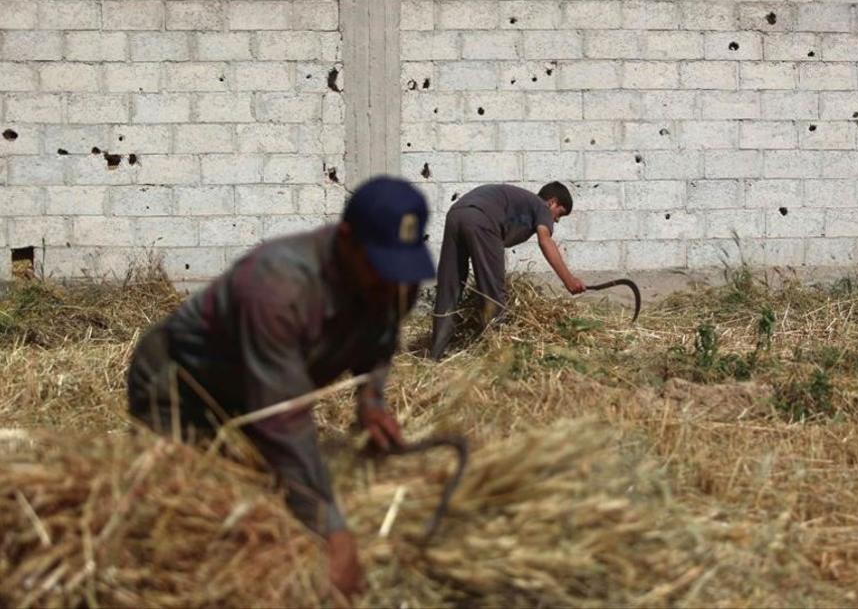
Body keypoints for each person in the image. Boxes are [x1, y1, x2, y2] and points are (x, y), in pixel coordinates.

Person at [125, 176, 436, 598]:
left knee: (267, 505)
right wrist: (335, 534)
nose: (393, 284)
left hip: (260, 388)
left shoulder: (394, 279)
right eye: (381, 266)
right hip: (183, 385)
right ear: (346, 241)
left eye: (402, 269)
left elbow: (380, 343)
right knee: (180, 513)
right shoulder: (277, 285)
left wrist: (370, 400)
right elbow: (283, 419)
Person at [429, 181, 585, 360]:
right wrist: (569, 280)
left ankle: (435, 354)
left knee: (450, 286)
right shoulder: (541, 206)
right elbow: (545, 240)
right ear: (552, 202)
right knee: (493, 292)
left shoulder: (522, 201)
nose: (556, 220)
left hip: (457, 213)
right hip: (483, 220)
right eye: (560, 214)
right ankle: (497, 357)